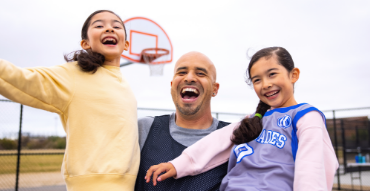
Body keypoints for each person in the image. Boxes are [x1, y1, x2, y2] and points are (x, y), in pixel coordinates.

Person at [145, 47, 339, 191]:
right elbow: (214, 144)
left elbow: (312, 168)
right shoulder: (253, 121)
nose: (266, 84)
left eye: (272, 74)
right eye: (257, 80)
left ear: (293, 74)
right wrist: (177, 165)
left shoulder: (305, 116)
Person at [0, 10, 139, 191]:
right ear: (85, 43)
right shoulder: (74, 75)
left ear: (126, 44)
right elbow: (20, 79)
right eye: (99, 25)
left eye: (116, 26)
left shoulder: (126, 86)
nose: (109, 29)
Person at [135, 51, 230, 191]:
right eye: (181, 72)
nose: (189, 78)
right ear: (172, 85)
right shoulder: (144, 129)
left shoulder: (232, 138)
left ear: (214, 89)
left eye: (200, 73)